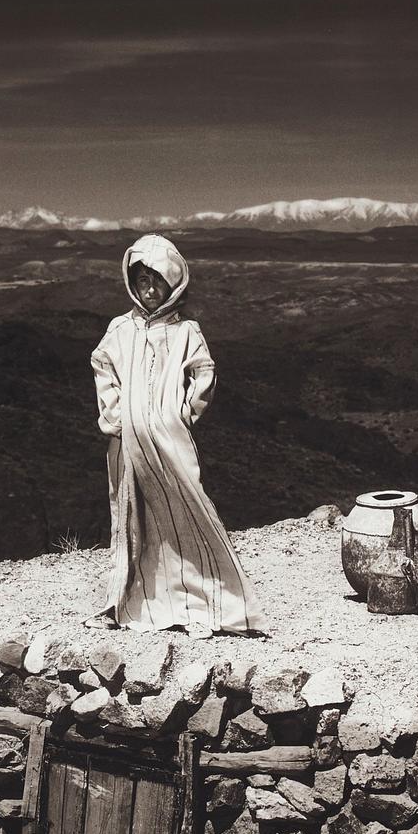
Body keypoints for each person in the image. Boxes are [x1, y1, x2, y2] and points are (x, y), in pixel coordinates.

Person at [90, 233, 260, 636]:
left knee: (187, 510)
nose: (149, 290)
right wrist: (116, 419)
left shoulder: (186, 332)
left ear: (174, 284)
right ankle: (135, 596)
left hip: (170, 440)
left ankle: (208, 597)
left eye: (157, 281)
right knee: (134, 518)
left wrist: (181, 413)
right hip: (127, 443)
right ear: (132, 283)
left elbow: (205, 373)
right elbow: (103, 368)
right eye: (142, 280)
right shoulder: (119, 329)